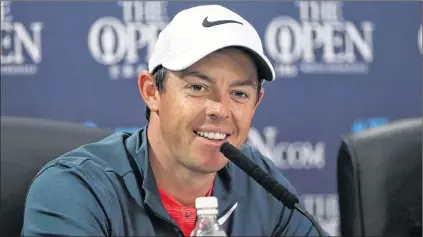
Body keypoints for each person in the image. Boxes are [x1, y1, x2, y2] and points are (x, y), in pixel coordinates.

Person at [21, 4, 327, 236]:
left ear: (256, 103)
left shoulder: (261, 185)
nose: (220, 109)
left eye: (239, 94)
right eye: (197, 87)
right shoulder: (75, 190)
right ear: (152, 91)